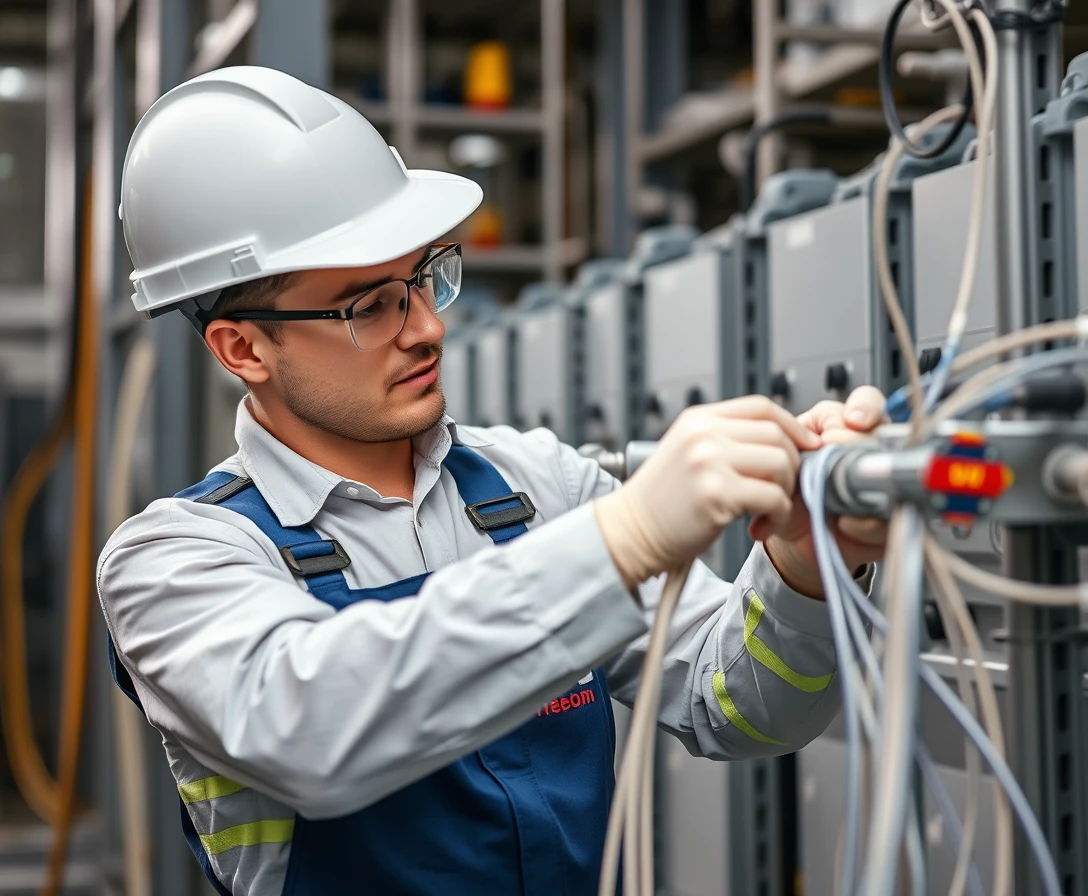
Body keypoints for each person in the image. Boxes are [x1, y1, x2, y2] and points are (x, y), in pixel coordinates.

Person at [98, 66, 887, 896]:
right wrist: (623, 542)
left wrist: (803, 570)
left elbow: (738, 709)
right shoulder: (172, 561)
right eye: (371, 306)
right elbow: (310, 728)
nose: (431, 326)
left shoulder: (535, 484)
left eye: (428, 276)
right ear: (242, 349)